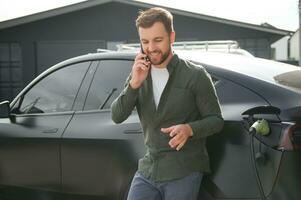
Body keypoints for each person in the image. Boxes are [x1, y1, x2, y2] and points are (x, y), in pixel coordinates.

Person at [111, 7, 224, 200]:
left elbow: (216, 120)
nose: (151, 48)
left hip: (184, 170)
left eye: (158, 40)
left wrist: (190, 129)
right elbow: (117, 116)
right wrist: (135, 83)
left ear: (172, 37)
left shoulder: (195, 75)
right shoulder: (138, 74)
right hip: (149, 168)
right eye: (145, 41)